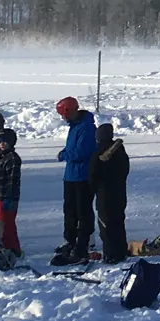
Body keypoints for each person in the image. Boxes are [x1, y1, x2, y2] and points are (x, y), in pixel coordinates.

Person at [54, 96, 98, 264]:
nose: (62, 118)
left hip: (83, 176)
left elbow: (81, 152)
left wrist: (64, 155)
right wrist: (65, 151)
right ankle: (70, 240)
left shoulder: (86, 128)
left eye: (63, 114)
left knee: (83, 211)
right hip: (71, 176)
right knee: (70, 210)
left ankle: (83, 243)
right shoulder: (74, 127)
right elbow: (71, 147)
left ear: (69, 111)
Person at [91, 123, 130, 265]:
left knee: (106, 225)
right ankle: (120, 251)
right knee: (118, 221)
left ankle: (111, 253)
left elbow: (92, 175)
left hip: (105, 195)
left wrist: (94, 188)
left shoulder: (98, 153)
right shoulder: (121, 151)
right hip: (119, 192)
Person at [0, 128, 23, 254]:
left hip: (7, 198)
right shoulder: (0, 158)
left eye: (5, 141)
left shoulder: (12, 159)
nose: (2, 144)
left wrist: (9, 197)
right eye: (0, 141)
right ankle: (4, 246)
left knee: (7, 225)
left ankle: (13, 249)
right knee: (0, 225)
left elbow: (12, 180)